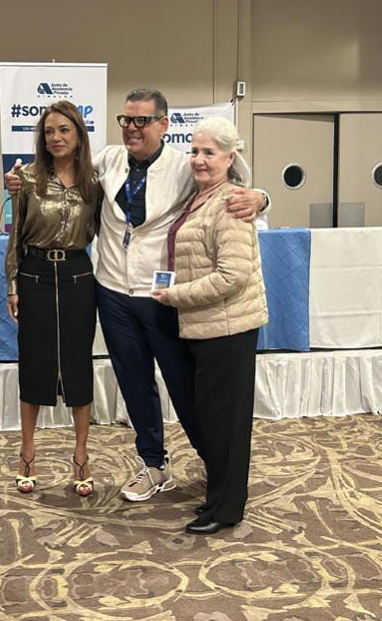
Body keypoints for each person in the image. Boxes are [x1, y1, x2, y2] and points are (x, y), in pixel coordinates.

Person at [6, 88, 269, 502]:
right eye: (126, 120)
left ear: (163, 125)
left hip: (161, 294)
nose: (132, 128)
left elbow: (232, 180)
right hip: (112, 291)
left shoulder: (184, 165)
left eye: (142, 121)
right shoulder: (107, 160)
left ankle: (216, 463)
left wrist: (261, 197)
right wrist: (19, 180)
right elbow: (62, 167)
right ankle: (153, 464)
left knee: (182, 385)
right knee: (134, 384)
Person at [151, 116, 268, 535]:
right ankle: (219, 499)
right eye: (195, 151)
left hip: (228, 329)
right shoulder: (200, 196)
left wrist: (176, 295)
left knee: (227, 424)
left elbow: (232, 276)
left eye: (209, 153)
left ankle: (226, 509)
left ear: (230, 157)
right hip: (207, 326)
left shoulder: (232, 202)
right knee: (215, 421)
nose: (199, 160)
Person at [5, 100, 102, 497]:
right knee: (34, 362)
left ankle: (81, 454)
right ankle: (27, 453)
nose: (56, 138)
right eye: (49, 132)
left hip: (78, 275)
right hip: (36, 275)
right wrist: (12, 284)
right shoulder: (26, 179)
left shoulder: (95, 180)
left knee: (78, 364)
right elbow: (15, 235)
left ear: (79, 135)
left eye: (64, 130)